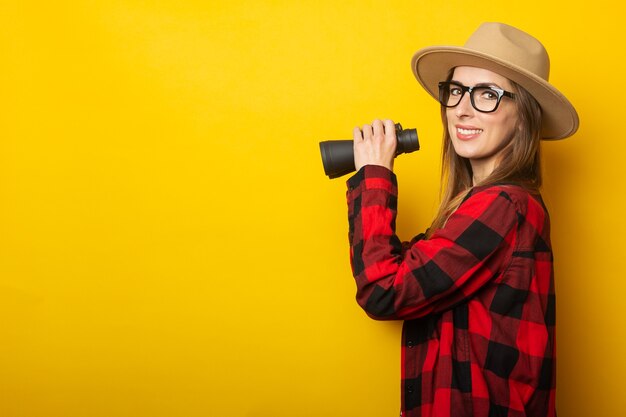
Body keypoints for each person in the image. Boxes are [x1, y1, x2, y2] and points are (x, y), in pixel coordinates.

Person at [346, 22, 578, 417]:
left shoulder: (505, 205)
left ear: (523, 117)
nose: (463, 108)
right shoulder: (476, 207)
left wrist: (375, 176)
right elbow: (406, 271)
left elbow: (384, 288)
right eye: (456, 91)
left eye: (488, 94)